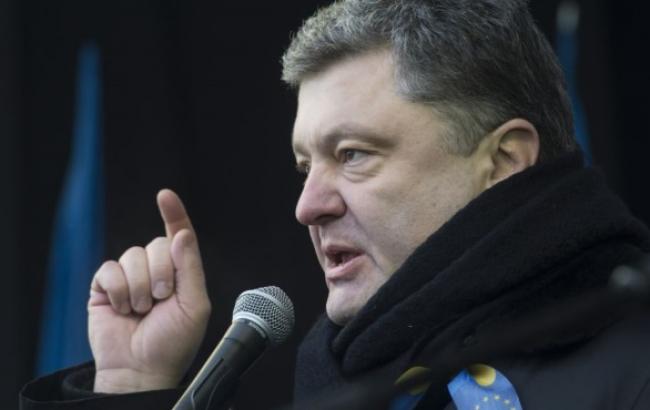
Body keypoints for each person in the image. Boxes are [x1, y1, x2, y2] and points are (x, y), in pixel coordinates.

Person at [20, 0, 650, 409]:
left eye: (352, 154)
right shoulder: (335, 383)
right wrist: (133, 386)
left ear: (505, 161)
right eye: (305, 166)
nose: (307, 206)